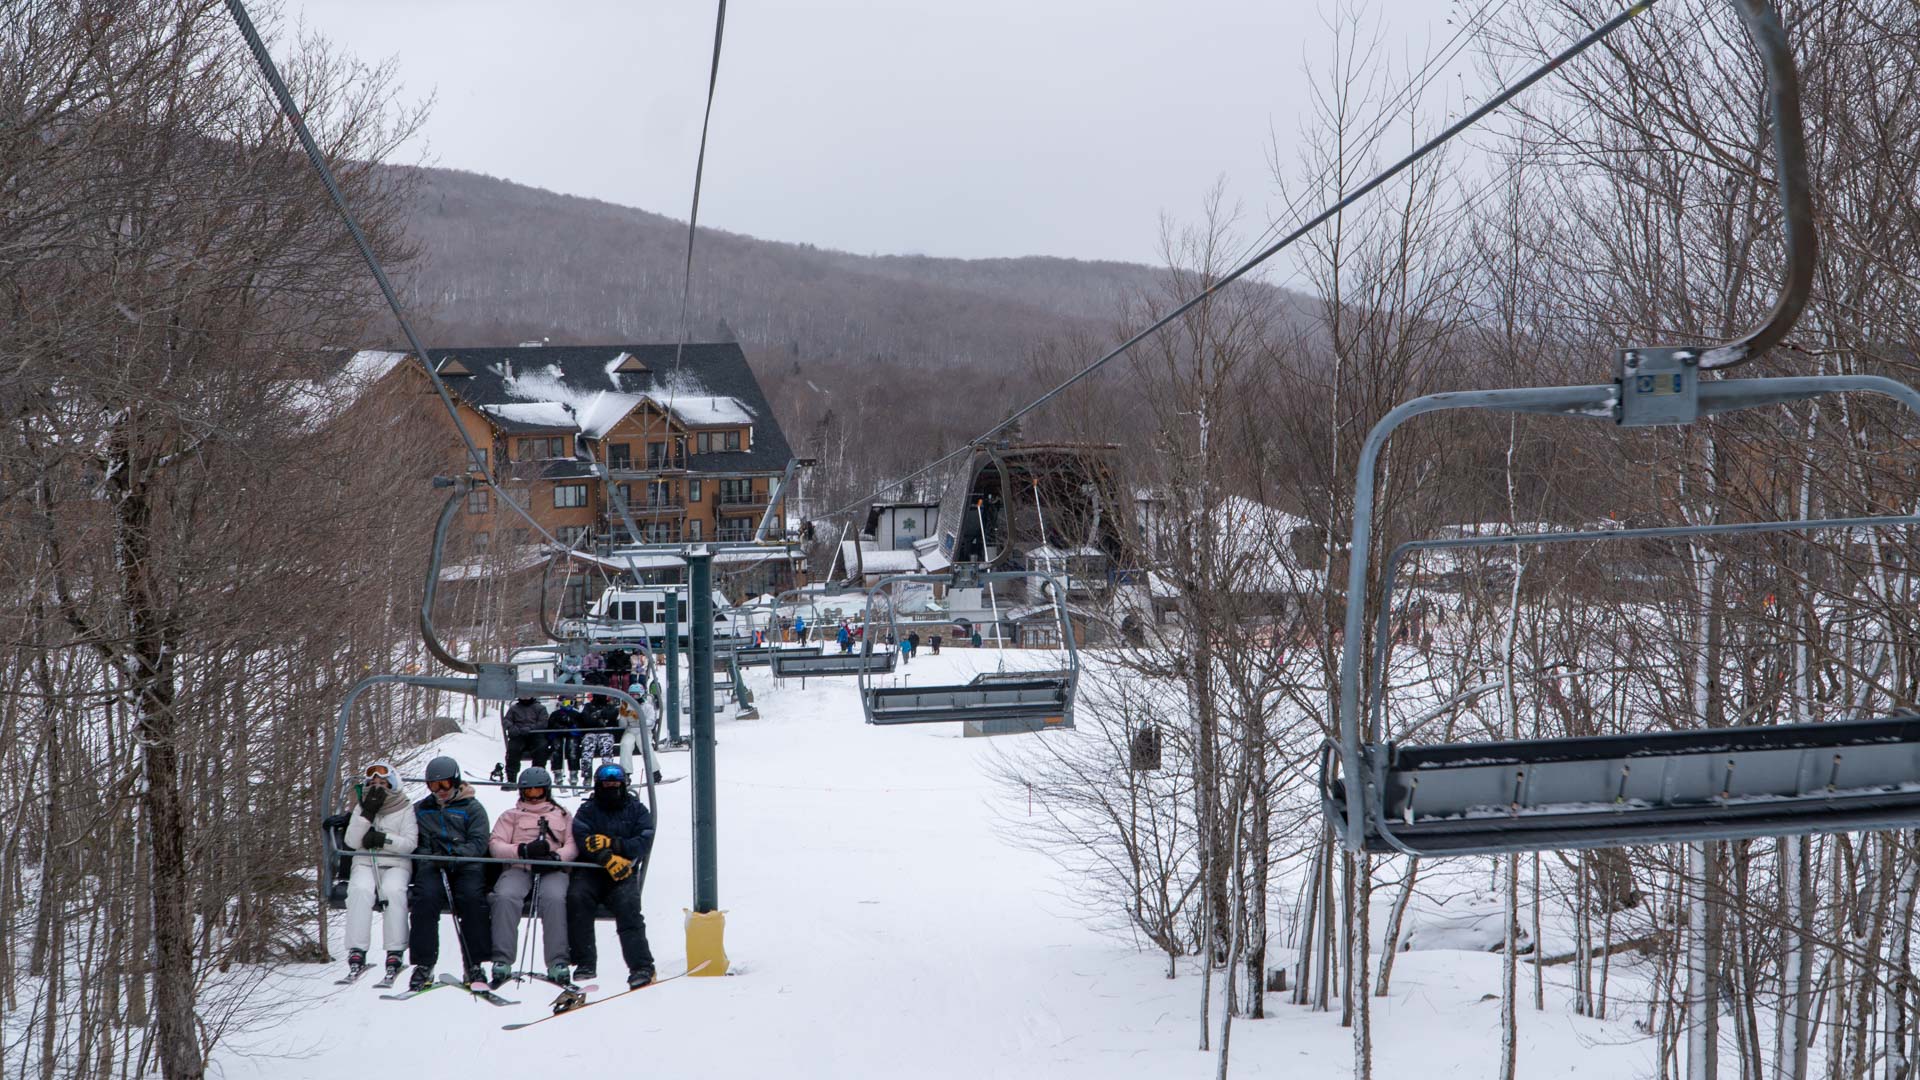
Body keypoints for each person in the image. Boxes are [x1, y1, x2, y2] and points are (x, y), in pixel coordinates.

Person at [486, 767, 579, 987]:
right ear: (521, 792)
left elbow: (573, 844)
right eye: (529, 791)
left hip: (552, 870)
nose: (534, 796)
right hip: (519, 867)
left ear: (547, 790)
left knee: (555, 899)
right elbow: (496, 844)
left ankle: (558, 962)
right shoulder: (511, 816)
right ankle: (502, 959)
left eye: (538, 791)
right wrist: (522, 851)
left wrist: (557, 858)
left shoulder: (562, 815)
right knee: (505, 896)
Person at [568, 763, 657, 989]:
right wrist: (606, 858)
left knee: (628, 906)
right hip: (591, 870)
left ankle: (641, 966)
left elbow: (644, 839)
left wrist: (615, 844)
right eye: (606, 785)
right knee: (577, 898)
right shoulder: (588, 810)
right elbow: (582, 836)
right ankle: (585, 962)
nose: (611, 789)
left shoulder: (637, 810)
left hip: (622, 871)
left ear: (623, 786)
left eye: (615, 785)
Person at [409, 756, 492, 990]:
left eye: (444, 785)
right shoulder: (422, 810)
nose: (440, 791)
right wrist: (431, 856)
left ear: (455, 782)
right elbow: (416, 840)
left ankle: (474, 964)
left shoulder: (472, 808)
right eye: (434, 786)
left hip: (466, 866)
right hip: (433, 866)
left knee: (473, 900)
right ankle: (424, 964)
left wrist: (454, 854)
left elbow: (479, 843)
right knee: (424, 899)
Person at [341, 761, 417, 982]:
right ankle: (357, 951)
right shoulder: (363, 807)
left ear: (392, 784)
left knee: (393, 891)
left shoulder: (404, 806)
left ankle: (395, 951)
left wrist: (384, 840)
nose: (378, 788)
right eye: (374, 783)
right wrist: (367, 814)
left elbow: (410, 843)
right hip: (365, 861)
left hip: (396, 863)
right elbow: (352, 841)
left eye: (383, 783)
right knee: (359, 889)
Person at [502, 696, 550, 790]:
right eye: (523, 695)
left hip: (535, 735)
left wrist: (531, 728)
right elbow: (506, 721)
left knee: (541, 748)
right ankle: (511, 779)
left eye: (528, 695)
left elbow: (543, 723)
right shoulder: (514, 709)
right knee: (513, 749)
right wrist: (512, 728)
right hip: (519, 735)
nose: (525, 697)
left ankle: (538, 778)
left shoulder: (540, 708)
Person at [545, 696, 586, 786]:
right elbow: (550, 727)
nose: (567, 705)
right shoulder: (555, 714)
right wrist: (559, 728)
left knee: (573, 748)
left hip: (572, 735)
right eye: (565, 703)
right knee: (556, 748)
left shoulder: (576, 714)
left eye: (570, 702)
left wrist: (572, 729)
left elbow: (581, 727)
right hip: (558, 735)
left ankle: (573, 774)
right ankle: (557, 773)